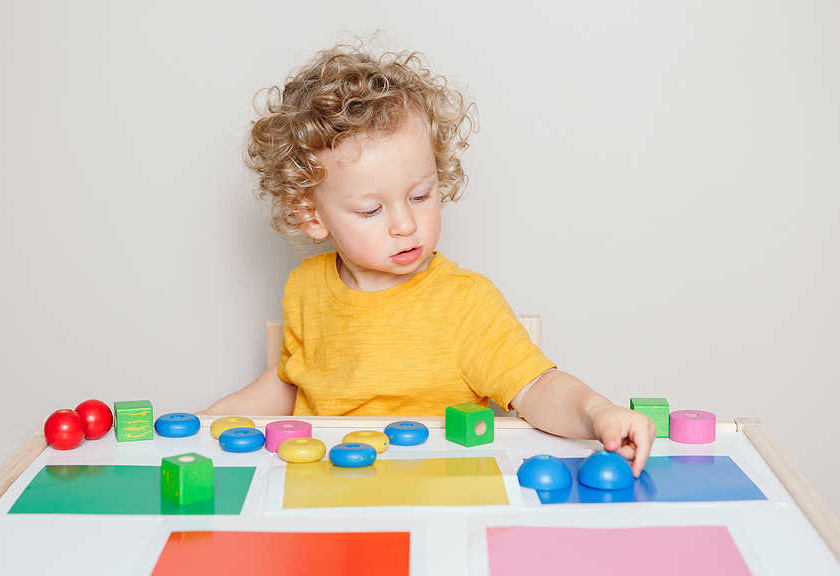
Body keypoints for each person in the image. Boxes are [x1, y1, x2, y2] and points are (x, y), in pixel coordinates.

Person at [200, 41, 655, 476]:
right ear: (311, 215)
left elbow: (536, 388)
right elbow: (290, 383)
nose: (405, 224)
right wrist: (202, 421)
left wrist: (597, 412)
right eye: (371, 210)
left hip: (435, 494)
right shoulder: (304, 287)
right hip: (328, 496)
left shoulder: (463, 302)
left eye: (420, 195)